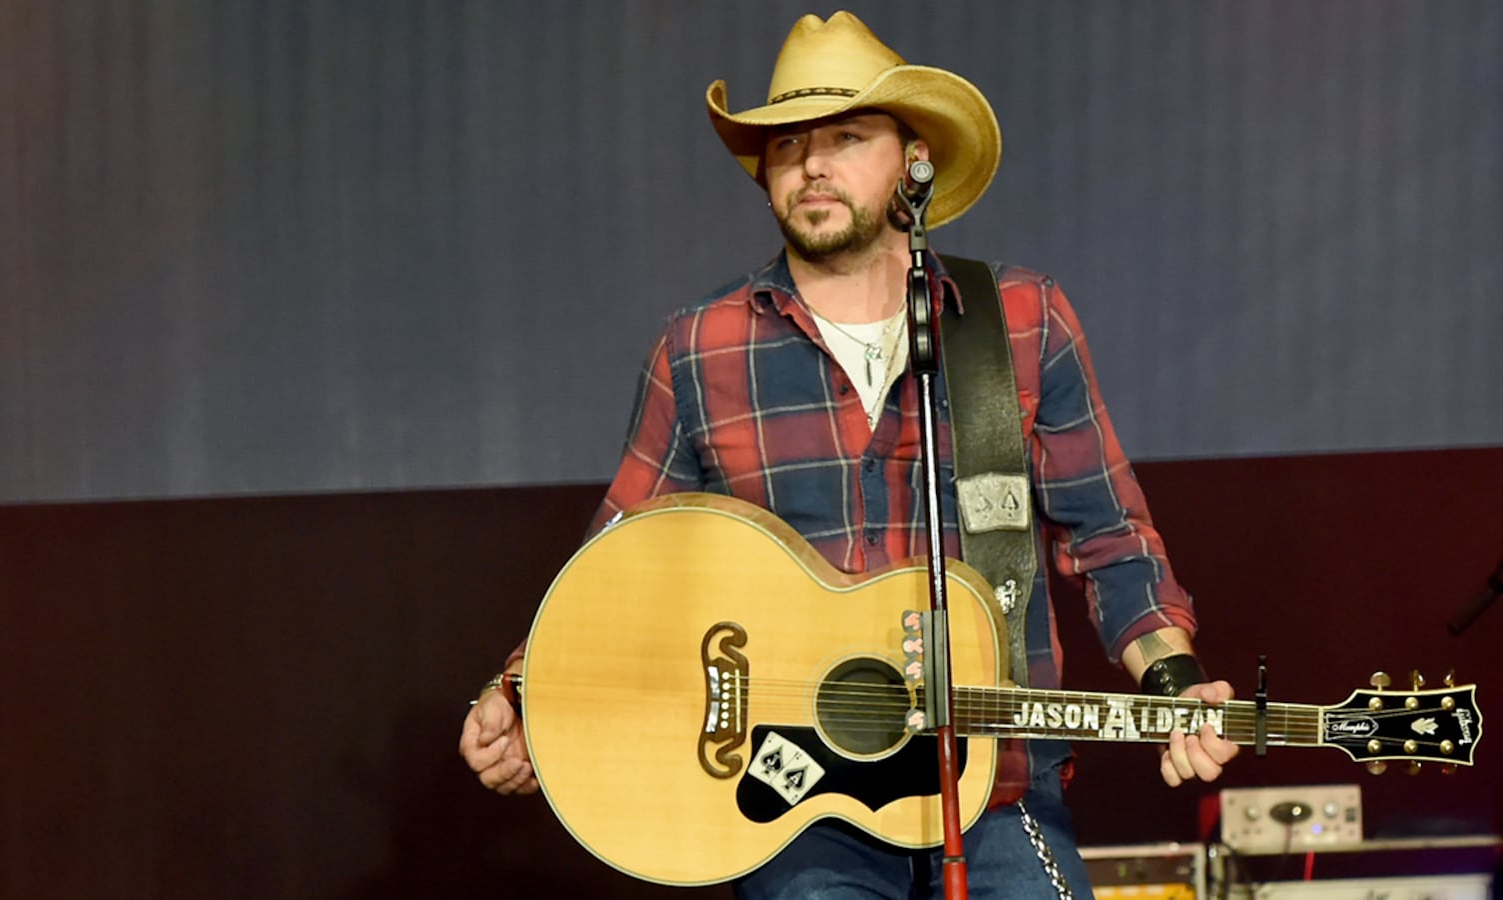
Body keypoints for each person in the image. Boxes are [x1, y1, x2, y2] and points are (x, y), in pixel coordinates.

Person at [459, 10, 1239, 898]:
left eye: (846, 136)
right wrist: (524, 695)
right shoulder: (700, 348)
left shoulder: (1019, 321)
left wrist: (1174, 681)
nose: (811, 165)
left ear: (915, 163)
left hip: (988, 783)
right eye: (787, 146)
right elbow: (614, 566)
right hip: (794, 802)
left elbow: (1107, 535)